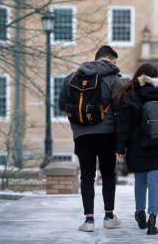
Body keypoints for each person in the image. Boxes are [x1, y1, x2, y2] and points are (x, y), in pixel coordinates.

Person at [58, 45, 123, 232]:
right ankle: (109, 216)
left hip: (82, 134)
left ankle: (89, 220)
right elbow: (120, 109)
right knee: (108, 173)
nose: (115, 65)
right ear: (109, 59)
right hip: (107, 134)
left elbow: (62, 105)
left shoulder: (71, 78)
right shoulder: (113, 79)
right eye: (114, 61)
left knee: (87, 175)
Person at [114, 63, 158, 235]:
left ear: (139, 76)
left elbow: (124, 124)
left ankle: (140, 212)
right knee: (155, 181)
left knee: (140, 180)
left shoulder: (131, 94)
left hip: (137, 145)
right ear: (155, 76)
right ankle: (153, 218)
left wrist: (120, 148)